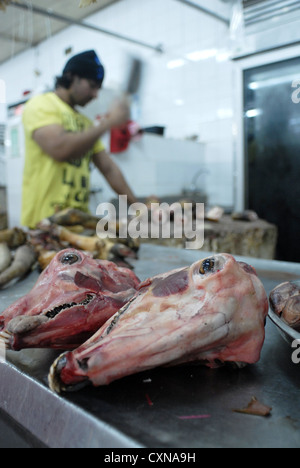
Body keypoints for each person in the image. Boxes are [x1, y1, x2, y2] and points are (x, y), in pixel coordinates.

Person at [21, 49, 138, 228]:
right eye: (92, 86)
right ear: (71, 76)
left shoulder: (85, 122)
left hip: (79, 223)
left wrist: (137, 207)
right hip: (44, 224)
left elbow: (108, 169)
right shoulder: (41, 104)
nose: (95, 94)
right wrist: (107, 124)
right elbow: (59, 149)